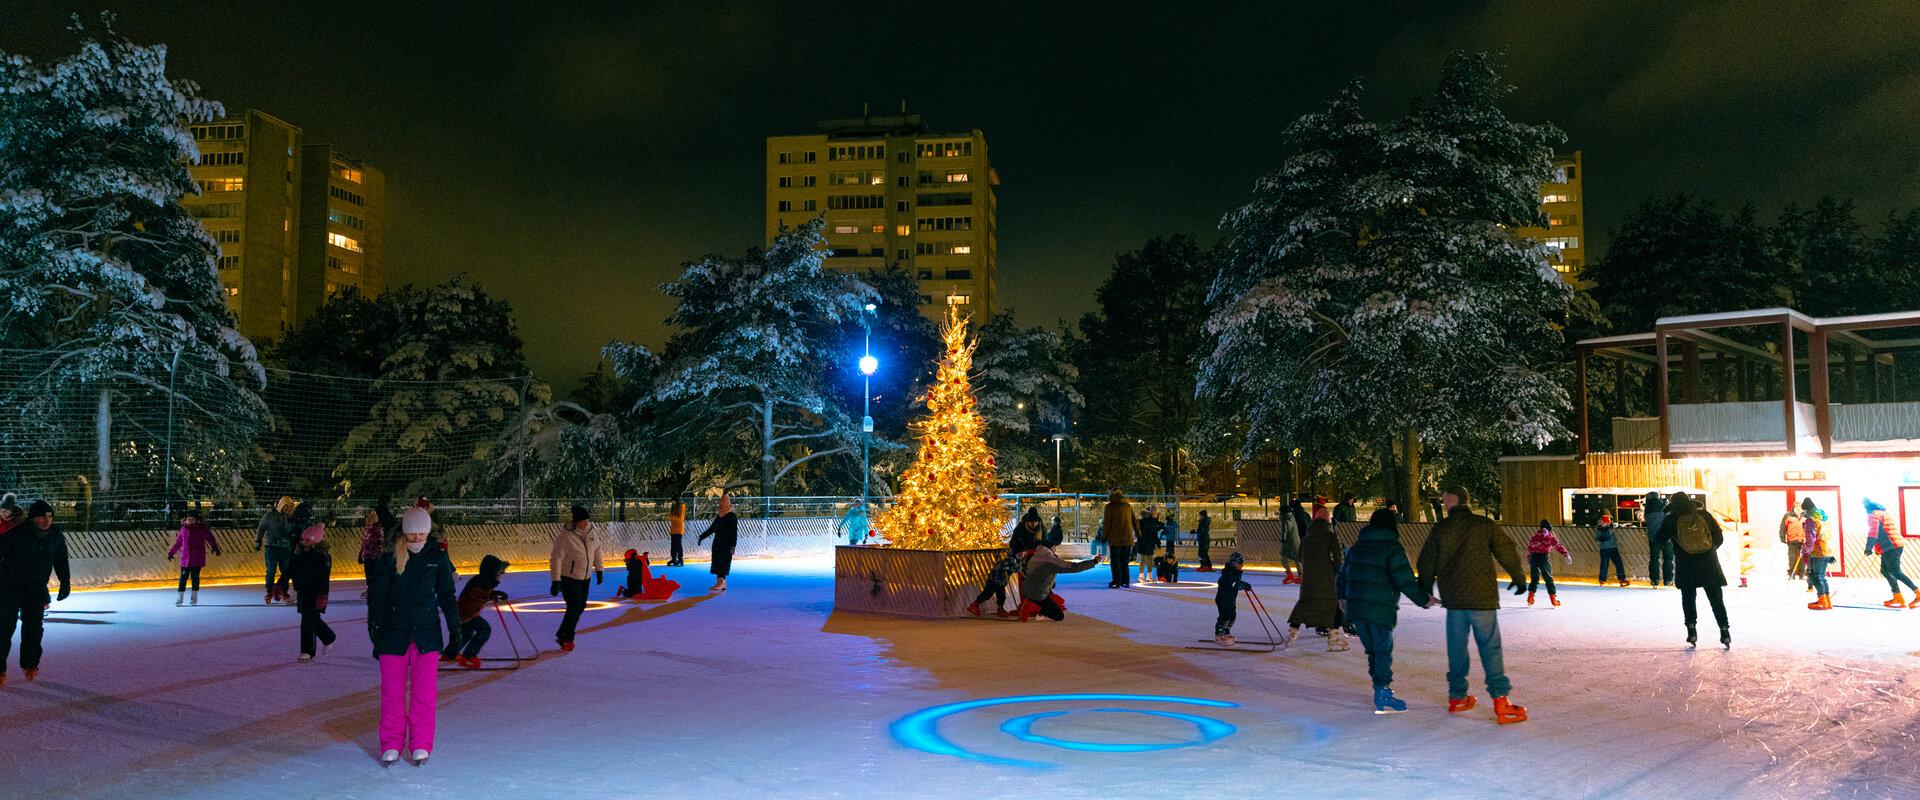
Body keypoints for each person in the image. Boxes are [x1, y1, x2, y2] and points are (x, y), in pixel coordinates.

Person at [1416, 485, 1529, 724]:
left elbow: (1427, 560)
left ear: (1456, 500)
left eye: (1446, 500)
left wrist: (1425, 589)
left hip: (1455, 600)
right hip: (1482, 599)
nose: (1444, 504)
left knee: (1456, 649)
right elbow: (1505, 549)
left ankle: (1457, 697)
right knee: (1490, 648)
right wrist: (1517, 576)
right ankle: (1500, 701)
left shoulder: (1442, 529)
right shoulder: (1483, 524)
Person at [367, 504, 460, 766]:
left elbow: (447, 597)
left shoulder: (437, 557)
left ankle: (420, 743)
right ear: (404, 533)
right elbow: (377, 597)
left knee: (424, 693)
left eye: (421, 533)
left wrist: (455, 630)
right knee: (392, 693)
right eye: (412, 534)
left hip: (426, 635)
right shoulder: (389, 557)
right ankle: (391, 743)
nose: (416, 538)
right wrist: (374, 629)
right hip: (393, 635)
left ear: (428, 532)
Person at [1337, 509, 1435, 713]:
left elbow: (1343, 575)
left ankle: (1380, 688)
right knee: (1382, 651)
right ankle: (1382, 690)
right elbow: (1404, 580)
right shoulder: (1393, 548)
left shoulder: (1357, 547)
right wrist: (1424, 599)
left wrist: (1342, 598)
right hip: (1380, 610)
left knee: (1373, 650)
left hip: (1357, 609)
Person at [0, 500, 71, 685]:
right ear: (33, 518)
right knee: (4, 628)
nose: (46, 520)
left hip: (36, 589)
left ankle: (30, 665)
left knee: (33, 629)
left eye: (49, 516)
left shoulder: (55, 535)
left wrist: (65, 582)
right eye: (41, 517)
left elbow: (61, 559)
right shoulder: (16, 534)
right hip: (10, 588)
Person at [1656, 493, 1730, 648]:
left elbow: (1659, 539)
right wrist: (1710, 549)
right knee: (1716, 599)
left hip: (1686, 565)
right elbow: (1719, 536)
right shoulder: (1703, 515)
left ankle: (1692, 631)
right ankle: (1724, 631)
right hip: (1709, 564)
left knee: (1688, 599)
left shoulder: (1672, 519)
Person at [1286, 502, 1348, 651]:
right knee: (1333, 605)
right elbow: (1338, 558)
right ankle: (1333, 635)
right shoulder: (1331, 536)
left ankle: (1293, 630)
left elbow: (1299, 556)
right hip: (1327, 579)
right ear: (1328, 520)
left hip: (1309, 579)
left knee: (1305, 603)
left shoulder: (1307, 537)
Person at [548, 505, 605, 650]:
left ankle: (563, 632)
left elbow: (597, 551)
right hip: (569, 577)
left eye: (587, 520)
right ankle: (566, 637)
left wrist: (599, 569)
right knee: (575, 606)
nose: (586, 523)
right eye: (583, 521)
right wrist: (555, 580)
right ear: (576, 521)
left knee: (580, 606)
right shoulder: (566, 536)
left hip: (585, 576)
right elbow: (556, 558)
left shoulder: (591, 532)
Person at [1016, 538, 1100, 621]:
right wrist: (1094, 562)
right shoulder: (1051, 560)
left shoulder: (1034, 557)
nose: (1055, 550)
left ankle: (1034, 607)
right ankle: (1041, 611)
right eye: (1053, 548)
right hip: (1038, 594)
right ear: (1049, 548)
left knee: (1047, 598)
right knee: (1059, 616)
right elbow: (1073, 567)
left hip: (1026, 590)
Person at [452, 555, 510, 669]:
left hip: (465, 611)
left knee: (467, 633)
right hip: (467, 612)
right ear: (491, 572)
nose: (500, 576)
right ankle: (468, 656)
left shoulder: (484, 580)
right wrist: (492, 595)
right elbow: (478, 594)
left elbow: (483, 594)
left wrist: (494, 594)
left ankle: (450, 653)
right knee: (484, 629)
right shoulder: (482, 581)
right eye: (498, 573)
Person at [290, 522, 336, 662]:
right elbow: (294, 571)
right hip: (304, 590)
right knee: (310, 617)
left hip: (317, 592)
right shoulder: (301, 554)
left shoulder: (322, 558)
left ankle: (307, 650)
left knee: (308, 618)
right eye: (302, 539)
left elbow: (320, 578)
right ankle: (328, 637)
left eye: (306, 540)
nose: (302, 542)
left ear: (314, 542)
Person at [1863, 498, 1916, 608]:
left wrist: (1868, 547)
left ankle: (1917, 592)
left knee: (1895, 571)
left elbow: (1874, 532)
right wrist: (1878, 548)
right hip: (1894, 545)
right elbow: (1884, 531)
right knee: (1885, 571)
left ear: (1867, 507)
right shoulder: (1883, 513)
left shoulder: (1872, 515)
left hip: (1891, 547)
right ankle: (1898, 596)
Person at [168, 511, 221, 606]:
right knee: (183, 578)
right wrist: (171, 553)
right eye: (189, 519)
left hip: (197, 558)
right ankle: (180, 597)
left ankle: (194, 597)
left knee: (195, 578)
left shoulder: (201, 529)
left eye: (192, 520)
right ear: (186, 520)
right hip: (185, 559)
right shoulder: (183, 529)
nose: (190, 521)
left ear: (196, 520)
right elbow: (178, 543)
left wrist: (214, 547)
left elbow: (210, 538)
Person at [255, 496, 297, 604]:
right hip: (271, 548)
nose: (288, 509)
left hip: (285, 548)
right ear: (281, 505)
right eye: (286, 506)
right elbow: (261, 528)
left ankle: (283, 591)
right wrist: (258, 540)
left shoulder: (290, 517)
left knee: (285, 572)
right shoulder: (269, 516)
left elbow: (294, 530)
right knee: (271, 570)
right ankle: (269, 591)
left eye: (290, 507)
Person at [696, 494, 740, 593]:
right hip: (717, 543)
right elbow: (713, 528)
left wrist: (733, 545)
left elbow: (734, 532)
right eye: (720, 505)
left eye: (722, 505)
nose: (721, 507)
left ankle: (722, 582)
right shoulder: (719, 516)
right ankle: (719, 581)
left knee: (723, 563)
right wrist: (702, 536)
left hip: (726, 544)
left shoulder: (731, 516)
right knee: (717, 562)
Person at [1525, 520, 1571, 607]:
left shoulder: (1535, 536)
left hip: (1533, 558)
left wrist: (1529, 560)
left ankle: (1530, 598)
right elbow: (1558, 546)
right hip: (1543, 558)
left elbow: (1530, 549)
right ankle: (1553, 600)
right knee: (1548, 579)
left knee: (1534, 579)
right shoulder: (1549, 536)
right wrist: (1566, 554)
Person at [1212, 552, 1254, 646]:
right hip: (1223, 599)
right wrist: (1241, 585)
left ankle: (1226, 632)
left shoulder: (1236, 572)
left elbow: (1236, 582)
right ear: (1235, 564)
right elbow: (1232, 584)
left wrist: (1244, 584)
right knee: (1225, 616)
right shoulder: (1228, 573)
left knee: (1232, 616)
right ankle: (1219, 634)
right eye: (1240, 563)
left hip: (1231, 599)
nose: (1242, 565)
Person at [1800, 498, 1835, 610]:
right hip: (1827, 550)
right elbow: (1827, 535)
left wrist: (1805, 553)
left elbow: (1810, 539)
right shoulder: (1823, 519)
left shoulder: (1811, 520)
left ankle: (1822, 601)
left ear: (1806, 509)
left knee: (1815, 577)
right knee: (1822, 577)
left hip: (1817, 552)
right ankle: (1826, 600)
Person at [1101, 491, 1136, 588]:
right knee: (1125, 561)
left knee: (1115, 561)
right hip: (1128, 538)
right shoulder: (1128, 506)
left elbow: (1107, 523)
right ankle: (1125, 581)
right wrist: (1139, 534)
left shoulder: (1109, 507)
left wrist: (1104, 537)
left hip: (1115, 539)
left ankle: (1116, 581)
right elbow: (1134, 521)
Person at [1643, 492, 1673, 587]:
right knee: (1668, 558)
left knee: (1654, 559)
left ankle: (1654, 580)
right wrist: (1666, 503)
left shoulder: (1647, 509)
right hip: (1666, 537)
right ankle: (1668, 580)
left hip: (1654, 538)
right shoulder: (1663, 506)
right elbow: (1668, 516)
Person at [357, 508, 388, 600]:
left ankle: (375, 591)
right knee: (369, 574)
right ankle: (371, 590)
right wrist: (361, 553)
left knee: (373, 574)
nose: (367, 525)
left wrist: (379, 549)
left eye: (368, 523)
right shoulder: (368, 530)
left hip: (375, 556)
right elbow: (365, 543)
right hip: (368, 555)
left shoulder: (377, 530)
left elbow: (381, 542)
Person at [1281, 495, 1308, 584]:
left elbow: (1284, 529)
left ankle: (1290, 574)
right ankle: (1301, 576)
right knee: (1297, 558)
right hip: (1297, 539)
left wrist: (1283, 539)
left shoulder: (1285, 519)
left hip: (1289, 541)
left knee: (1283, 557)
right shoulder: (1293, 516)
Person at [1595, 514, 1627, 587]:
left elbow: (1616, 525)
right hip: (1605, 549)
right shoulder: (1601, 529)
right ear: (1602, 522)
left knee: (1618, 563)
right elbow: (1600, 539)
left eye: (1607, 523)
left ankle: (1621, 578)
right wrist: (1610, 528)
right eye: (1605, 522)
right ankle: (1602, 579)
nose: (1606, 524)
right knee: (1604, 564)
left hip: (1613, 548)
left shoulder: (1610, 527)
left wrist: (1620, 525)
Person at [1137, 506, 1163, 584]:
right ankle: (1141, 576)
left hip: (1150, 543)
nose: (1156, 515)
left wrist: (1157, 542)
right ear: (1152, 513)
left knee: (1151, 560)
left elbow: (1154, 533)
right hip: (1144, 543)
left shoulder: (1154, 521)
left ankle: (1149, 576)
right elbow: (1145, 532)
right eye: (1155, 513)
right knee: (1144, 559)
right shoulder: (1145, 520)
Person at [1779, 506, 1806, 581]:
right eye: (1796, 507)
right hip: (1792, 540)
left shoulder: (1806, 515)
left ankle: (1802, 575)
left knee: (1803, 558)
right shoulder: (1788, 515)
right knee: (1792, 558)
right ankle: (1791, 575)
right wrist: (1782, 536)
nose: (1798, 508)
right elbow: (1783, 527)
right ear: (1794, 508)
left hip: (1803, 541)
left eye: (1800, 507)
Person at [668, 497, 688, 566]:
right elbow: (673, 517)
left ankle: (680, 559)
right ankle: (674, 558)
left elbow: (680, 519)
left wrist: (671, 516)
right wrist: (670, 516)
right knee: (673, 545)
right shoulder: (674, 508)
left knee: (678, 545)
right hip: (673, 529)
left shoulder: (681, 507)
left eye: (673, 501)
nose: (672, 503)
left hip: (679, 530)